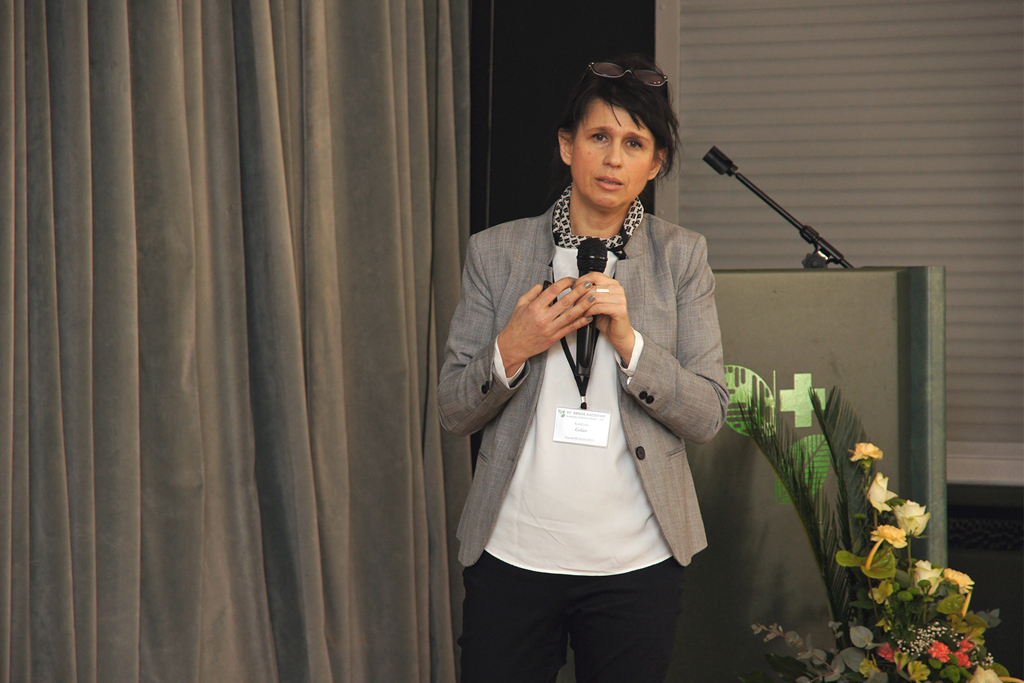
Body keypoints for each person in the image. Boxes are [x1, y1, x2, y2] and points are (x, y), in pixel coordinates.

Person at [438, 55, 729, 683]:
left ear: (656, 164)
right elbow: (454, 409)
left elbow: (708, 414)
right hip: (512, 555)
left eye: (634, 144)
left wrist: (630, 344)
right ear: (568, 146)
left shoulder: (681, 258)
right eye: (599, 137)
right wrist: (512, 346)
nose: (613, 159)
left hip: (637, 563)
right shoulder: (497, 251)